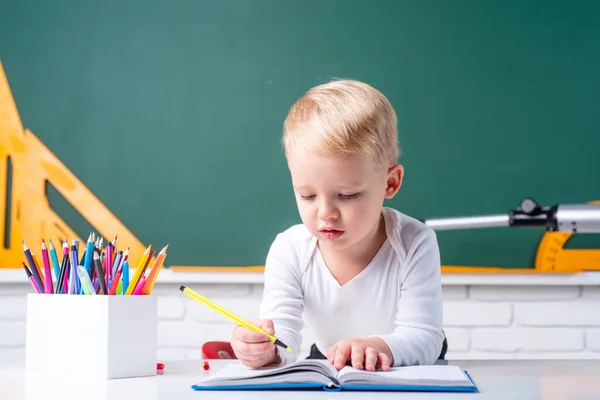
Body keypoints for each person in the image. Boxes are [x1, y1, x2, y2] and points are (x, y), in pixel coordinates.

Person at [230, 79, 445, 372]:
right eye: (307, 195)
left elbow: (425, 336)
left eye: (347, 195)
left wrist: (378, 347)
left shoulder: (414, 241)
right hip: (330, 362)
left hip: (405, 364)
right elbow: (284, 335)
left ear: (390, 182)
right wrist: (265, 348)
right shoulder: (290, 249)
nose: (326, 213)